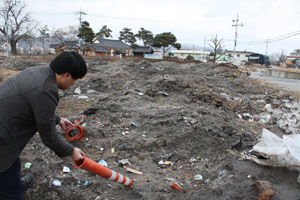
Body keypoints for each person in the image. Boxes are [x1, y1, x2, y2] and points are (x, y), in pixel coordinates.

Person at [0, 51, 87, 199]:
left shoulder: (37, 72)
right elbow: (49, 137)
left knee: (12, 162)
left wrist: (58, 119)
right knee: (8, 178)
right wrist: (72, 151)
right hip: (2, 137)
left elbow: (35, 107)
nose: (73, 84)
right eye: (75, 80)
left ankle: (12, 184)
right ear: (66, 75)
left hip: (5, 125)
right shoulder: (47, 90)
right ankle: (11, 191)